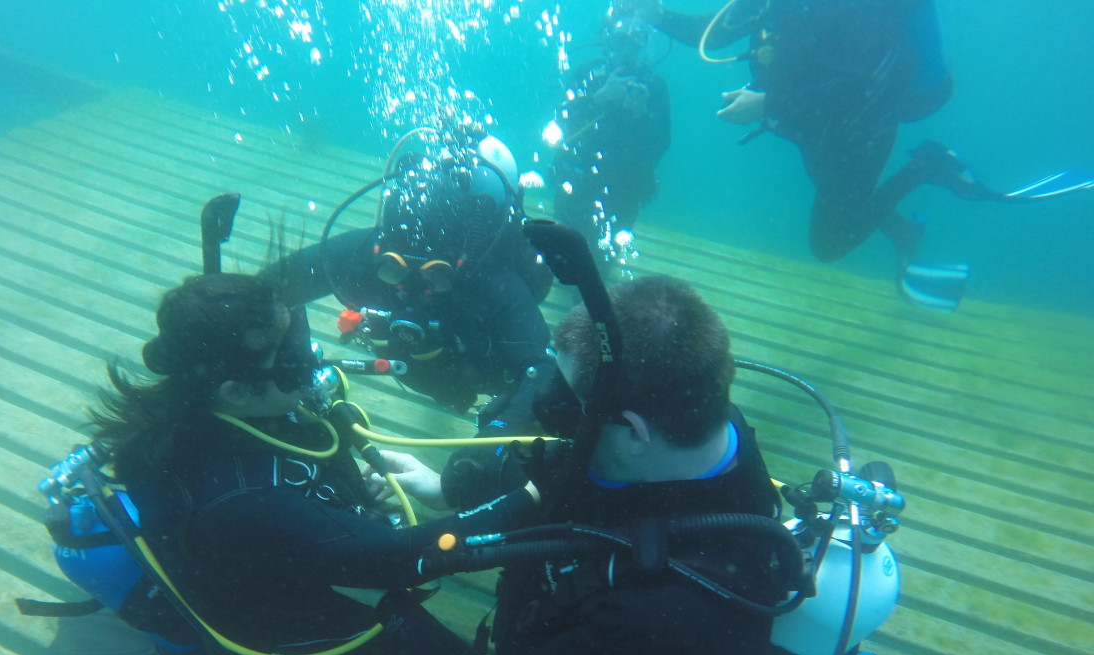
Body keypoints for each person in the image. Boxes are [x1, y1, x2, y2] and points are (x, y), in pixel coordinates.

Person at [375, 249, 959, 655]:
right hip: (648, 635)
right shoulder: (698, 430)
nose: (548, 408)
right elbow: (560, 473)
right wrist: (444, 488)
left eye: (567, 403)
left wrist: (392, 612)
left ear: (631, 430)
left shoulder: (669, 610)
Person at [0, 272, 539, 655]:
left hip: (265, 564)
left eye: (298, 332)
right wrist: (536, 495)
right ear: (237, 389)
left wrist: (343, 495)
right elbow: (401, 557)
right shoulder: (240, 496)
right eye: (292, 356)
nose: (311, 356)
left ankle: (172, 631)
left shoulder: (219, 406)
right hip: (276, 633)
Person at [629, 0, 981, 310]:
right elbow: (714, 34)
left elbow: (864, 85)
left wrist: (769, 102)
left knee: (829, 243)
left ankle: (924, 168)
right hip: (809, 125)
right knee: (842, 200)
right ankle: (904, 230)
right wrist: (657, 15)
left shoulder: (858, 7)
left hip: (860, 133)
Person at [265, 129, 555, 415]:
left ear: (460, 266)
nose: (414, 285)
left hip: (480, 376)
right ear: (382, 248)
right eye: (394, 269)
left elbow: (541, 376)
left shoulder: (492, 282)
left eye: (435, 274)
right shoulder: (367, 254)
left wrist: (502, 427)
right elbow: (271, 289)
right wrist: (292, 351)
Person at [549, 10, 672, 258]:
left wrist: (641, 115)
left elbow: (661, 145)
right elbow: (559, 128)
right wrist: (597, 99)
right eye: (619, 42)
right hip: (577, 180)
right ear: (607, 41)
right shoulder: (585, 76)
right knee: (560, 255)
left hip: (625, 189)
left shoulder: (655, 88)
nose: (626, 52)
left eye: (635, 43)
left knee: (604, 260)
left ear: (645, 45)